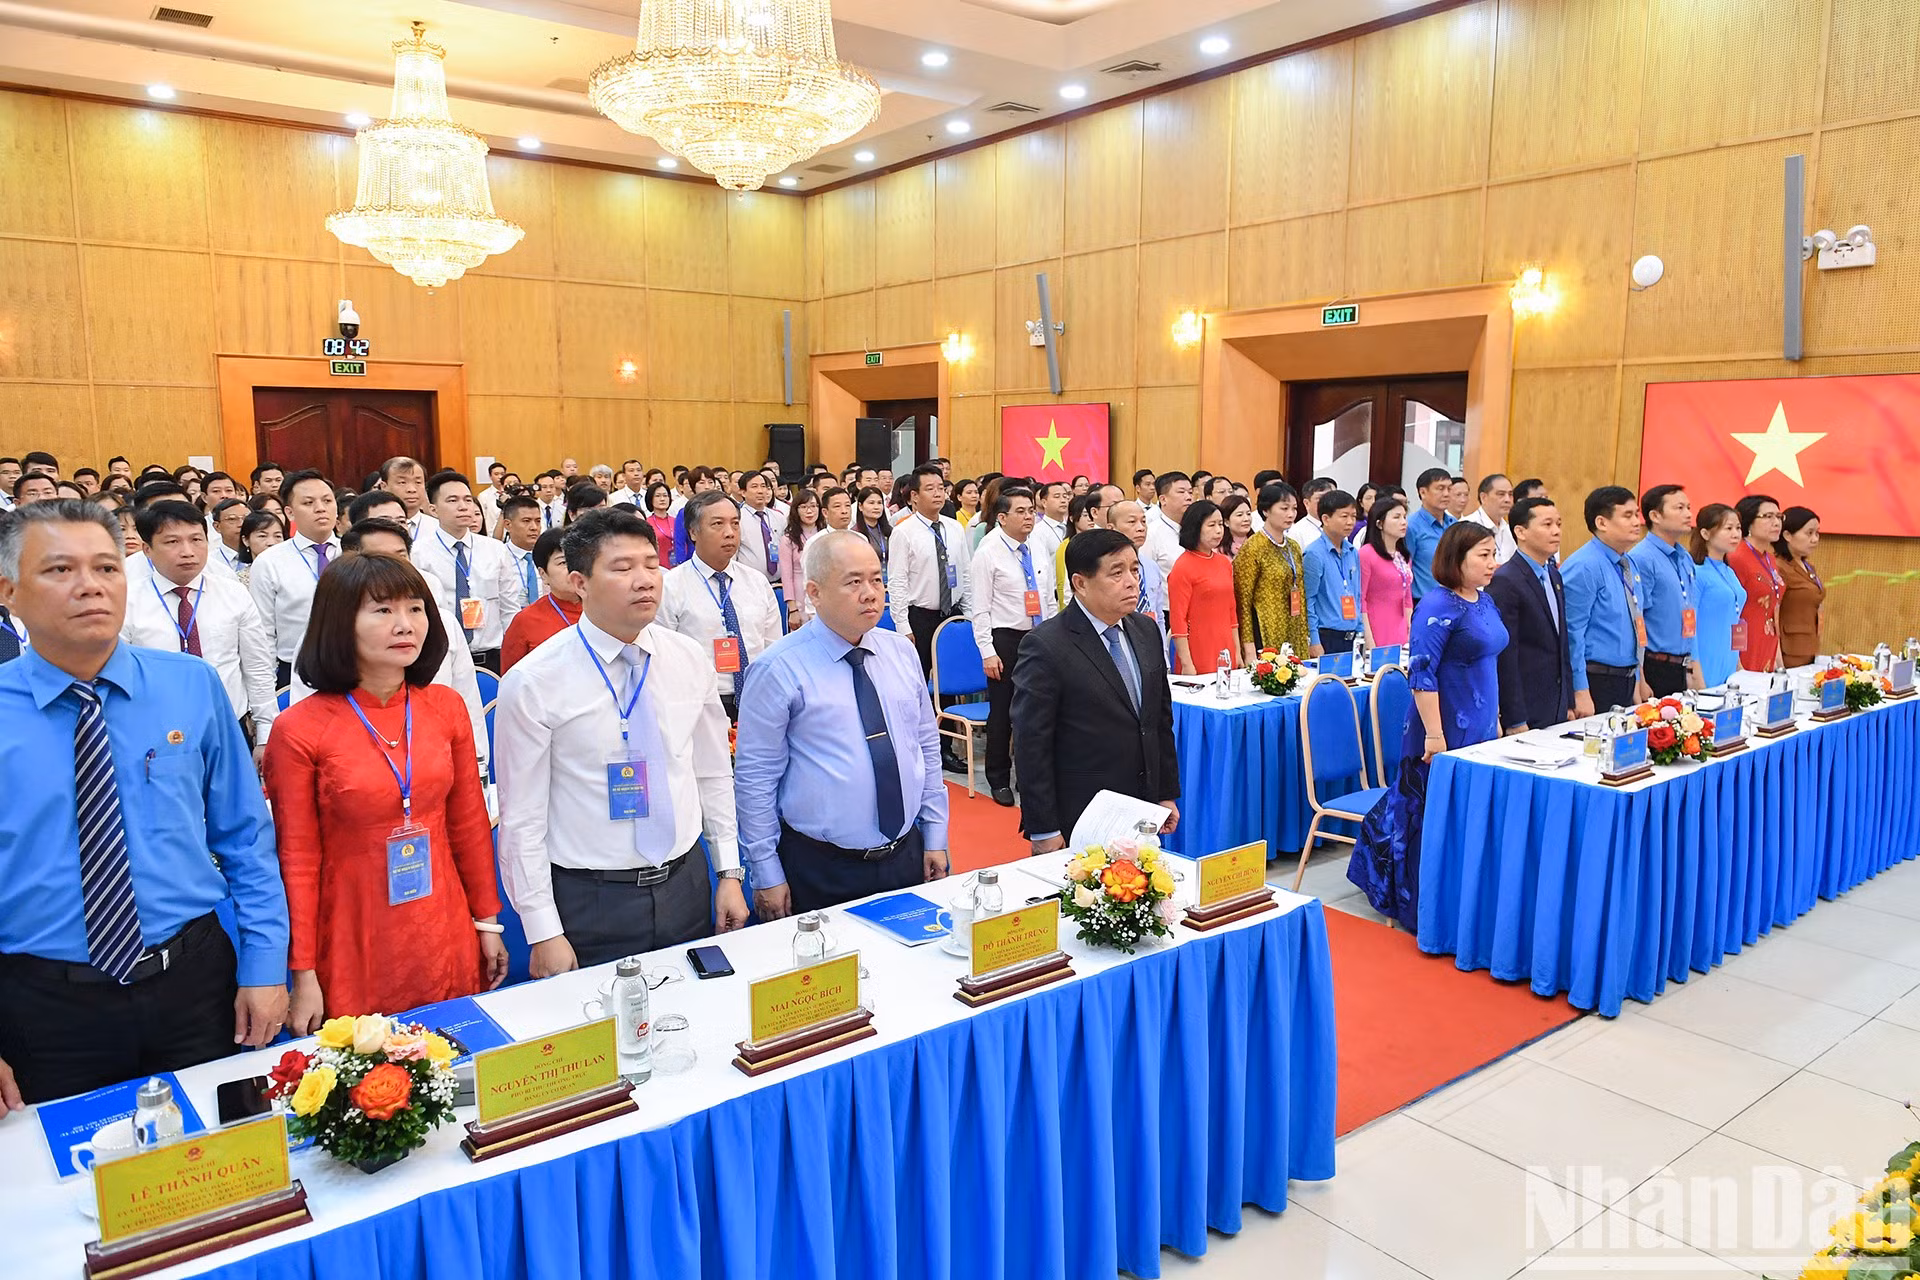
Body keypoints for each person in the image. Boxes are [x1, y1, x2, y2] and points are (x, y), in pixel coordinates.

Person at [0, 501, 289, 1105]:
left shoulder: (190, 683)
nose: (90, 587)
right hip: (44, 1005)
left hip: (195, 984)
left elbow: (245, 837)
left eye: (107, 568)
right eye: (59, 571)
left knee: (228, 1171)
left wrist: (265, 965)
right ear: (10, 593)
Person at [495, 509, 748, 974]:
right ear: (580, 582)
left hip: (685, 883)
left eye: (652, 564)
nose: (645, 580)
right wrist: (543, 929)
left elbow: (711, 773)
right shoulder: (535, 681)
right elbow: (522, 819)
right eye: (622, 568)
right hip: (591, 899)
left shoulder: (686, 656)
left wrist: (728, 871)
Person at [263, 554, 504, 1026]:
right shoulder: (300, 728)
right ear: (339, 622)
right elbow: (297, 856)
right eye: (383, 611)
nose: (405, 625)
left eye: (416, 609)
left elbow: (469, 824)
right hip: (354, 930)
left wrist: (487, 921)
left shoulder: (444, 706)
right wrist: (304, 971)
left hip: (442, 920)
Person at [733, 533, 950, 914]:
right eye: (853, 582)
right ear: (814, 592)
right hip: (820, 865)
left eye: (876, 579)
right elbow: (755, 779)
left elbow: (926, 749)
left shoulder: (900, 651)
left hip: (905, 853)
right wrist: (766, 871)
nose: (870, 593)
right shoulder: (778, 668)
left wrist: (934, 834)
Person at [1346, 522, 1507, 930]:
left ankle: (1457, 898)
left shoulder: (1484, 601)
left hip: (1482, 723)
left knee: (1466, 814)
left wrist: (1498, 718)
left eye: (1493, 554)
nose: (1493, 563)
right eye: (1483, 556)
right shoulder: (1437, 605)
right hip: (1443, 725)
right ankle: (1419, 903)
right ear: (1457, 559)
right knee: (1428, 813)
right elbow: (1422, 674)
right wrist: (1435, 734)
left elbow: (1490, 664)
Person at [1013, 529, 1180, 851]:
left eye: (1134, 569)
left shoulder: (1145, 630)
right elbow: (1031, 744)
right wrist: (1043, 828)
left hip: (1141, 806)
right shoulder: (1046, 645)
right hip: (1082, 813)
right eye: (1116, 572)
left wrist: (1165, 792)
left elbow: (1158, 722)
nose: (1132, 581)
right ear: (1080, 583)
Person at [120, 502, 277, 753]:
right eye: (172, 542)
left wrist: (265, 734)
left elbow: (257, 667)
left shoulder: (232, 593)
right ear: (147, 549)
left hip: (228, 724)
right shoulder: (128, 601)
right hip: (157, 730)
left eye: (196, 540)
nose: (188, 551)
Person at [659, 490, 780, 721]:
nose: (729, 533)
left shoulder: (756, 582)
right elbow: (665, 656)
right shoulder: (671, 586)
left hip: (757, 697)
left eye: (735, 524)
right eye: (718, 524)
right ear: (693, 532)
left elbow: (772, 646)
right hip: (700, 703)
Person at [968, 486, 1055, 807]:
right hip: (1004, 639)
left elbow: (1048, 597)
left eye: (1031, 510)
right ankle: (999, 778)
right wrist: (987, 651)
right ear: (1002, 517)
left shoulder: (1037, 547)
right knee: (1003, 712)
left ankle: (1029, 775)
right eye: (1020, 511)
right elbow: (980, 609)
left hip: (1039, 638)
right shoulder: (988, 552)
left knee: (1037, 712)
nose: (1029, 516)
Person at [411, 471, 525, 675]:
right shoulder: (419, 553)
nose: (464, 506)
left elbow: (509, 608)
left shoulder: (495, 549)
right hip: (443, 655)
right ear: (433, 509)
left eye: (467, 500)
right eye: (452, 500)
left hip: (492, 655)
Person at [1561, 486, 1650, 715]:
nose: (1637, 522)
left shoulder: (1628, 562)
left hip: (1627, 676)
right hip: (1596, 679)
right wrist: (1580, 691)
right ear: (1601, 523)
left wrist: (1639, 677)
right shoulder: (1585, 566)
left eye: (1636, 514)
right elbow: (1572, 633)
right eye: (1627, 515)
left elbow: (1636, 620)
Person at [1489, 496, 1573, 734]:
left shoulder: (1554, 575)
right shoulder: (1506, 580)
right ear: (1521, 531)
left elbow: (1562, 642)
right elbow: (1506, 654)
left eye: (1558, 524)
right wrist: (1515, 717)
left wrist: (1568, 701)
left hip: (1555, 704)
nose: (1556, 531)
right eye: (1547, 525)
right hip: (1526, 707)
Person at [248, 469, 340, 688]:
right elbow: (264, 634)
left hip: (357, 665)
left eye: (327, 500)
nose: (321, 508)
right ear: (289, 513)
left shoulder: (354, 551)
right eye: (308, 503)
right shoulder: (270, 562)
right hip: (295, 671)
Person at [887, 465, 971, 684]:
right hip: (920, 618)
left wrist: (969, 616)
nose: (937, 493)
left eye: (941, 488)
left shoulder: (954, 528)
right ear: (914, 496)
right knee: (918, 681)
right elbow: (897, 582)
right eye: (930, 489)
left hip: (953, 615)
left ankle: (950, 718)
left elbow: (965, 574)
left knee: (952, 682)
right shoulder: (903, 532)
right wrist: (903, 626)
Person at [1627, 484, 1701, 696]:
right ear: (1655, 516)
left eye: (1688, 507)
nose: (1688, 514)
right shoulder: (1642, 558)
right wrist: (1640, 678)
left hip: (1681, 664)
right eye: (1679, 508)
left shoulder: (1684, 556)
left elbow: (1689, 612)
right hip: (1654, 665)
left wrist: (1692, 664)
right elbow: (1637, 618)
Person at [1232, 481, 1310, 662]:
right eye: (1284, 508)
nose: (1291, 514)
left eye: (1294, 509)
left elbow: (1301, 592)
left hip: (1293, 626)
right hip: (1265, 628)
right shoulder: (1253, 547)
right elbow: (1243, 601)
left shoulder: (1293, 546)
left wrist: (1305, 635)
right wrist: (1248, 646)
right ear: (1266, 511)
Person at [1169, 499, 1239, 676]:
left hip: (1225, 645)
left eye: (1221, 524)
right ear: (1196, 527)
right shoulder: (1183, 566)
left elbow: (1232, 613)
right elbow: (1178, 620)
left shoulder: (1224, 563)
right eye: (1211, 525)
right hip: (1198, 649)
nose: (1218, 530)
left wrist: (1237, 651)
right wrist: (1186, 663)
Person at [500, 529, 581, 673]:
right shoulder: (525, 621)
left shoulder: (606, 610)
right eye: (563, 562)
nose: (573, 568)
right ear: (543, 574)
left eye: (577, 559)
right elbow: (511, 681)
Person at [1689, 503, 1748, 688]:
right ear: (1705, 534)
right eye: (1728, 528)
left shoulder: (1729, 571)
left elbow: (1736, 620)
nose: (1735, 534)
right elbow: (1689, 627)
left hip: (1729, 663)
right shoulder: (1696, 573)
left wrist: (1738, 663)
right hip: (1705, 663)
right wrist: (1695, 672)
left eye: (1738, 528)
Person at [1728, 494, 1786, 673]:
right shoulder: (1737, 556)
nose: (1776, 523)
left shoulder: (1769, 558)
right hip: (1744, 643)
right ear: (1748, 522)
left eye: (1779, 516)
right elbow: (1732, 612)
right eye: (1768, 517)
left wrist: (1778, 659)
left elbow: (1773, 607)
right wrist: (1737, 662)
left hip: (1767, 642)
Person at [1303, 489, 1362, 658]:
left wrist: (1360, 631)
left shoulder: (1352, 551)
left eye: (1353, 516)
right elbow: (1309, 600)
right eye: (1344, 516)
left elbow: (1357, 594)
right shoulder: (1314, 553)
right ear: (1326, 519)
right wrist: (1314, 641)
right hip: (1326, 636)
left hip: (1351, 636)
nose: (1350, 522)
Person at [1107, 499, 1167, 647]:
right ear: (1111, 528)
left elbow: (1159, 616)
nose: (1141, 528)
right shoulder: (1105, 567)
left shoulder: (1151, 566)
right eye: (1132, 522)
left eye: (1143, 521)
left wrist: (1163, 654)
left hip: (1150, 642)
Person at [1357, 495, 1413, 649]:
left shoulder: (1404, 555)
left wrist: (1410, 631)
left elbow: (1407, 597)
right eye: (1396, 517)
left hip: (1401, 630)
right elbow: (1361, 599)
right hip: (1376, 629)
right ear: (1379, 523)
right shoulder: (1366, 554)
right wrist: (1369, 639)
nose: (1403, 522)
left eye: (1404, 517)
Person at [1776, 506, 1824, 668]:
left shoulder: (1809, 567)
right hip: (1788, 649)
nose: (1815, 539)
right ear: (1787, 535)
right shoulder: (1779, 567)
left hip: (1810, 646)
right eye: (1809, 533)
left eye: (1817, 533)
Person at [1404, 467, 1456, 603]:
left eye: (1449, 489)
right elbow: (1405, 569)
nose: (1446, 494)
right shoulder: (1411, 526)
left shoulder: (1454, 524)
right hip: (1423, 601)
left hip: (1453, 599)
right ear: (1423, 492)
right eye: (1440, 488)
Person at [780, 489, 823, 629]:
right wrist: (793, 609)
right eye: (804, 507)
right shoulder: (788, 539)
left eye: (813, 506)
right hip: (799, 596)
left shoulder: (826, 534)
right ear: (796, 510)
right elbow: (787, 577)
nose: (809, 511)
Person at [735, 471, 783, 586]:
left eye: (763, 486)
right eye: (754, 487)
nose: (761, 491)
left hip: (779, 584)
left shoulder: (779, 517)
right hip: (748, 584)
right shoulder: (737, 519)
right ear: (743, 492)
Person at [1143, 471, 1192, 582]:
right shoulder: (1151, 534)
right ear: (1163, 499)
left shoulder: (1197, 529)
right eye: (1181, 492)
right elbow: (1147, 578)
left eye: (1190, 492)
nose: (1188, 497)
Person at [499, 493, 545, 604]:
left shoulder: (547, 556)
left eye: (538, 521)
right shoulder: (498, 557)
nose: (534, 527)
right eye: (526, 521)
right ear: (507, 525)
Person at [1462, 474, 1517, 565]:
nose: (1507, 499)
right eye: (1501, 494)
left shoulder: (1510, 530)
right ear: (1483, 497)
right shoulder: (1466, 526)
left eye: (1510, 494)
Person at [236, 509, 285, 584]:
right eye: (262, 536)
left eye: (278, 536)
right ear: (246, 540)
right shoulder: (237, 581)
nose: (271, 543)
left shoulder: (292, 574)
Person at [1030, 481, 1072, 566]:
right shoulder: (1038, 532)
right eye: (1057, 497)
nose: (1063, 500)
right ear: (1044, 502)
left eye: (1065, 496)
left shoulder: (1070, 527)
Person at [1290, 477, 1335, 553]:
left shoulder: (1338, 525)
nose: (1326, 503)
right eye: (1320, 499)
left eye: (1328, 498)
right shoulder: (1297, 532)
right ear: (1306, 503)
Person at [852, 486, 891, 568]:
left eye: (879, 503)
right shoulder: (855, 534)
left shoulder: (890, 531)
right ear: (860, 506)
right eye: (871, 503)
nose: (876, 507)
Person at [643, 483, 678, 566]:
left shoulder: (676, 521)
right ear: (650, 499)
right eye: (658, 496)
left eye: (665, 496)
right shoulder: (646, 523)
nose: (662, 499)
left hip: (678, 567)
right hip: (657, 566)